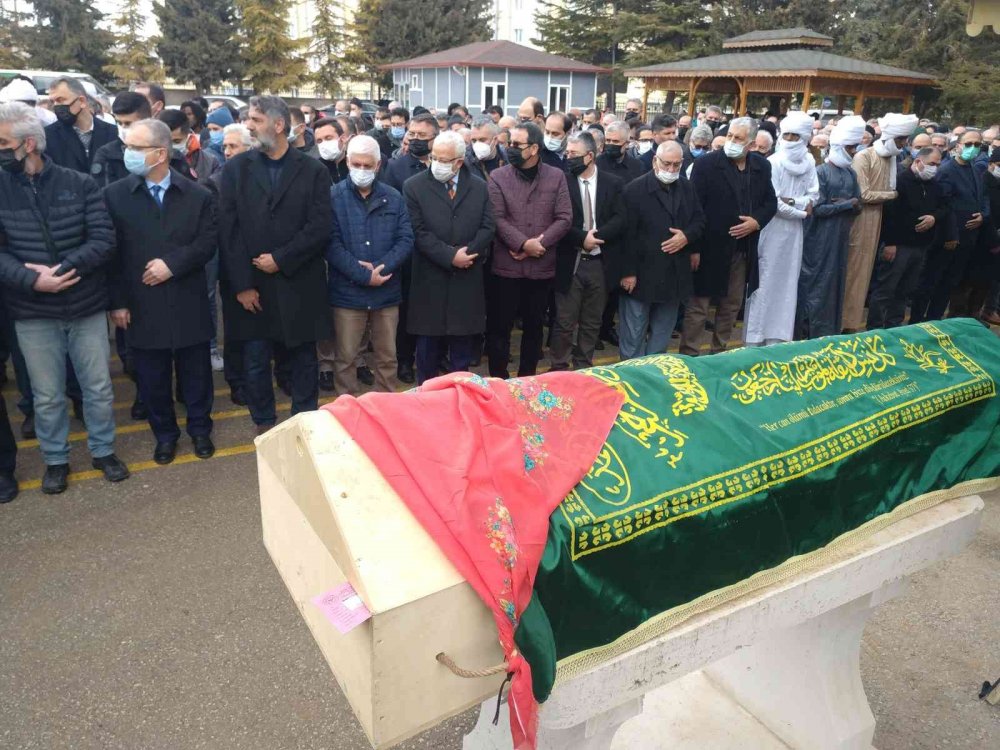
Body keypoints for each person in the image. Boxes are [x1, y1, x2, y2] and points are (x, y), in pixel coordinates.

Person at [0, 102, 129, 493]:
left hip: (85, 304)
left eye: (3, 142)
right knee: (47, 395)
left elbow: (104, 239)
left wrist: (62, 270)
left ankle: (103, 451)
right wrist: (30, 280)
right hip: (32, 310)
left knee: (98, 388)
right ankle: (55, 460)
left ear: (28, 144)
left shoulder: (79, 183)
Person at [105, 119, 217, 464]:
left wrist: (174, 264)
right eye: (128, 146)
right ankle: (165, 436)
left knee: (195, 374)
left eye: (137, 148)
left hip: (188, 298)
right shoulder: (115, 195)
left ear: (161, 153)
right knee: (152, 378)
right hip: (141, 302)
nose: (129, 154)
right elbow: (111, 253)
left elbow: (208, 242)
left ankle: (199, 430)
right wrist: (118, 302)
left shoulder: (197, 194)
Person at [218, 96, 333, 434]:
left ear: (278, 125)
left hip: (299, 280)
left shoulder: (312, 170)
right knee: (255, 359)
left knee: (303, 359)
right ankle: (264, 423)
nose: (249, 126)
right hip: (253, 285)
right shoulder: (237, 169)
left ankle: (303, 421)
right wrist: (242, 285)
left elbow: (320, 225)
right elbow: (229, 230)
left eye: (255, 119)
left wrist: (281, 259)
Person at [680, 117, 777, 356]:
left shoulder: (761, 167)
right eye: (730, 136)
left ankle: (720, 353)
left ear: (752, 145)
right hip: (709, 248)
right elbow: (694, 208)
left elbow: (770, 202)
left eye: (738, 138)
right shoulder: (707, 165)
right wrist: (694, 249)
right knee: (699, 306)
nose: (731, 142)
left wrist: (756, 222)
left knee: (731, 305)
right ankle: (689, 355)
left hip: (742, 249)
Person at [403, 131, 494, 383]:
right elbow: (417, 231)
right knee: (427, 353)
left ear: (459, 162)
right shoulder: (414, 186)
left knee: (462, 354)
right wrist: (449, 256)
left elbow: (488, 227)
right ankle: (426, 402)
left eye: (444, 160)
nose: (437, 164)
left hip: (467, 279)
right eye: (434, 157)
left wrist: (468, 254)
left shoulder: (479, 187)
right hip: (430, 279)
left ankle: (460, 402)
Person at [327, 135, 414, 394]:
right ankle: (347, 413)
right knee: (346, 360)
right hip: (347, 295)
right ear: (347, 162)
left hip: (386, 293)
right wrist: (363, 275)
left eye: (367, 166)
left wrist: (381, 268)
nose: (361, 171)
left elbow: (406, 238)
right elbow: (330, 244)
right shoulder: (332, 197)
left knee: (387, 358)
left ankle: (385, 410)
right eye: (356, 164)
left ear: (378, 166)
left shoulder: (394, 197)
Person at [486, 121, 571, 377]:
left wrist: (539, 244)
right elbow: (496, 218)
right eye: (508, 144)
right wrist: (523, 244)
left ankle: (527, 380)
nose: (509, 149)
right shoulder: (498, 177)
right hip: (506, 267)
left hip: (541, 267)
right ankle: (499, 381)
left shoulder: (556, 176)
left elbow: (565, 217)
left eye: (515, 145)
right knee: (500, 329)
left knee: (534, 328)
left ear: (533, 149)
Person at [617, 141, 703, 360]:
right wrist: (627, 272)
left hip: (674, 274)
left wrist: (686, 236)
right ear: (655, 160)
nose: (671, 170)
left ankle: (654, 378)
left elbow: (700, 221)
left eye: (676, 165)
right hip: (641, 275)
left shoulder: (686, 187)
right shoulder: (634, 190)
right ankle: (631, 379)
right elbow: (626, 235)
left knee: (662, 335)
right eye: (667, 164)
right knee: (633, 334)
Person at [550, 132, 626, 369]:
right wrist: (582, 238)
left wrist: (597, 238)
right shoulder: (561, 181)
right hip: (570, 260)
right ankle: (559, 366)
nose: (568, 158)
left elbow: (621, 217)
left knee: (592, 321)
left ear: (590, 156)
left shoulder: (613, 183)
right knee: (564, 321)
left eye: (573, 154)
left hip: (600, 263)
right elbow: (556, 219)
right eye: (567, 153)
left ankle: (583, 365)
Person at [744, 111, 818, 347]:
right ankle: (754, 338)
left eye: (795, 136)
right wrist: (800, 209)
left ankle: (778, 337)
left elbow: (814, 195)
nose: (789, 140)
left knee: (787, 284)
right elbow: (774, 203)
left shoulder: (809, 163)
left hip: (794, 234)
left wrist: (794, 203)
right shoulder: (772, 163)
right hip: (771, 230)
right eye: (785, 135)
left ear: (805, 138)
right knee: (764, 282)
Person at [843, 113, 915, 331]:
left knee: (866, 278)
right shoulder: (864, 157)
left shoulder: (892, 159)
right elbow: (863, 194)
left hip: (879, 225)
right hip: (861, 224)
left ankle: (853, 323)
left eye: (905, 140)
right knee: (855, 275)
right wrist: (893, 194)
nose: (903, 144)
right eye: (901, 139)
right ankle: (846, 324)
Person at [796, 115, 864, 339]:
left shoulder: (851, 173)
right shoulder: (821, 173)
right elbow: (818, 209)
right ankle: (808, 332)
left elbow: (858, 204)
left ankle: (828, 330)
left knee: (834, 284)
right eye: (851, 148)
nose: (853, 152)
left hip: (840, 239)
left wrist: (845, 204)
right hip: (819, 241)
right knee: (816, 284)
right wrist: (846, 204)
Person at [912, 129, 990, 321]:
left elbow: (983, 196)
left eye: (977, 145)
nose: (973, 148)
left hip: (968, 238)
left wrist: (983, 215)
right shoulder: (946, 170)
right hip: (947, 239)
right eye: (969, 144)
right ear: (958, 146)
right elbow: (945, 206)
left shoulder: (975, 168)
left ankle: (935, 320)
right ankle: (917, 320)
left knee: (949, 283)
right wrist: (950, 235)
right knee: (930, 282)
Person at [384, 112, 438, 384]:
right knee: (406, 311)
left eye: (422, 136)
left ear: (435, 138)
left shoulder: (444, 164)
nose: (415, 140)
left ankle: (434, 358)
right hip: (409, 252)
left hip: (439, 251)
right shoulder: (397, 168)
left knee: (434, 308)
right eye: (412, 135)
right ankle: (405, 359)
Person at [867, 147, 946, 329]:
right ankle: (874, 329)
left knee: (905, 290)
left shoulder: (934, 184)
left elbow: (944, 207)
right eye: (931, 164)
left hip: (921, 246)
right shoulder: (900, 181)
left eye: (938, 165)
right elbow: (889, 215)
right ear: (918, 162)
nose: (934, 168)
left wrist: (934, 217)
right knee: (886, 290)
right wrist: (890, 243)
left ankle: (894, 326)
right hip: (899, 246)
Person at [44, 77, 117, 175]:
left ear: (82, 101)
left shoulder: (112, 133)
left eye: (60, 100)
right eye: (53, 102)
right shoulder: (48, 136)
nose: (56, 106)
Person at [157, 108, 220, 187]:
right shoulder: (148, 164)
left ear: (188, 137)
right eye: (165, 142)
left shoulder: (210, 162)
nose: (170, 147)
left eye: (176, 141)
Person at [313, 117, 350, 183]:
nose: (324, 144)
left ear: (343, 138)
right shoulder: (314, 169)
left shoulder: (356, 164)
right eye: (319, 141)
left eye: (328, 138)